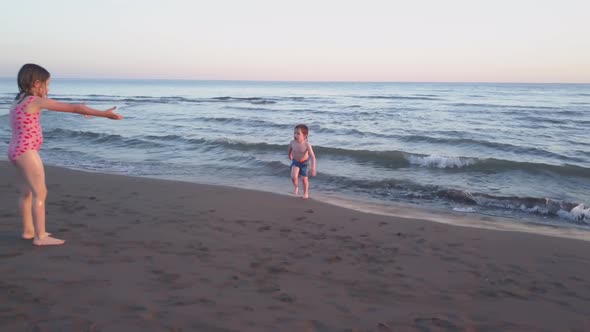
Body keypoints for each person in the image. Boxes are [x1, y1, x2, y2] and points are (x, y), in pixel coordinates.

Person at [8, 63, 123, 246]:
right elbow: (73, 108)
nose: (49, 88)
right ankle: (41, 237)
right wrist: (104, 114)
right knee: (40, 192)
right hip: (27, 152)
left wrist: (83, 110)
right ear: (37, 83)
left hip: (14, 150)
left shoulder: (19, 100)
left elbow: (74, 108)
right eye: (47, 84)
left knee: (26, 193)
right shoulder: (35, 101)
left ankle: (29, 231)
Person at [288, 124, 317, 199]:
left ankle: (305, 193)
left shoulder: (307, 144)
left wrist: (313, 168)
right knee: (293, 177)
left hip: (304, 163)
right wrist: (289, 155)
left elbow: (313, 157)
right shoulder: (292, 142)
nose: (295, 135)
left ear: (305, 135)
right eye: (295, 133)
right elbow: (290, 149)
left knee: (304, 179)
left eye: (298, 133)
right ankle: (296, 186)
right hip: (295, 162)